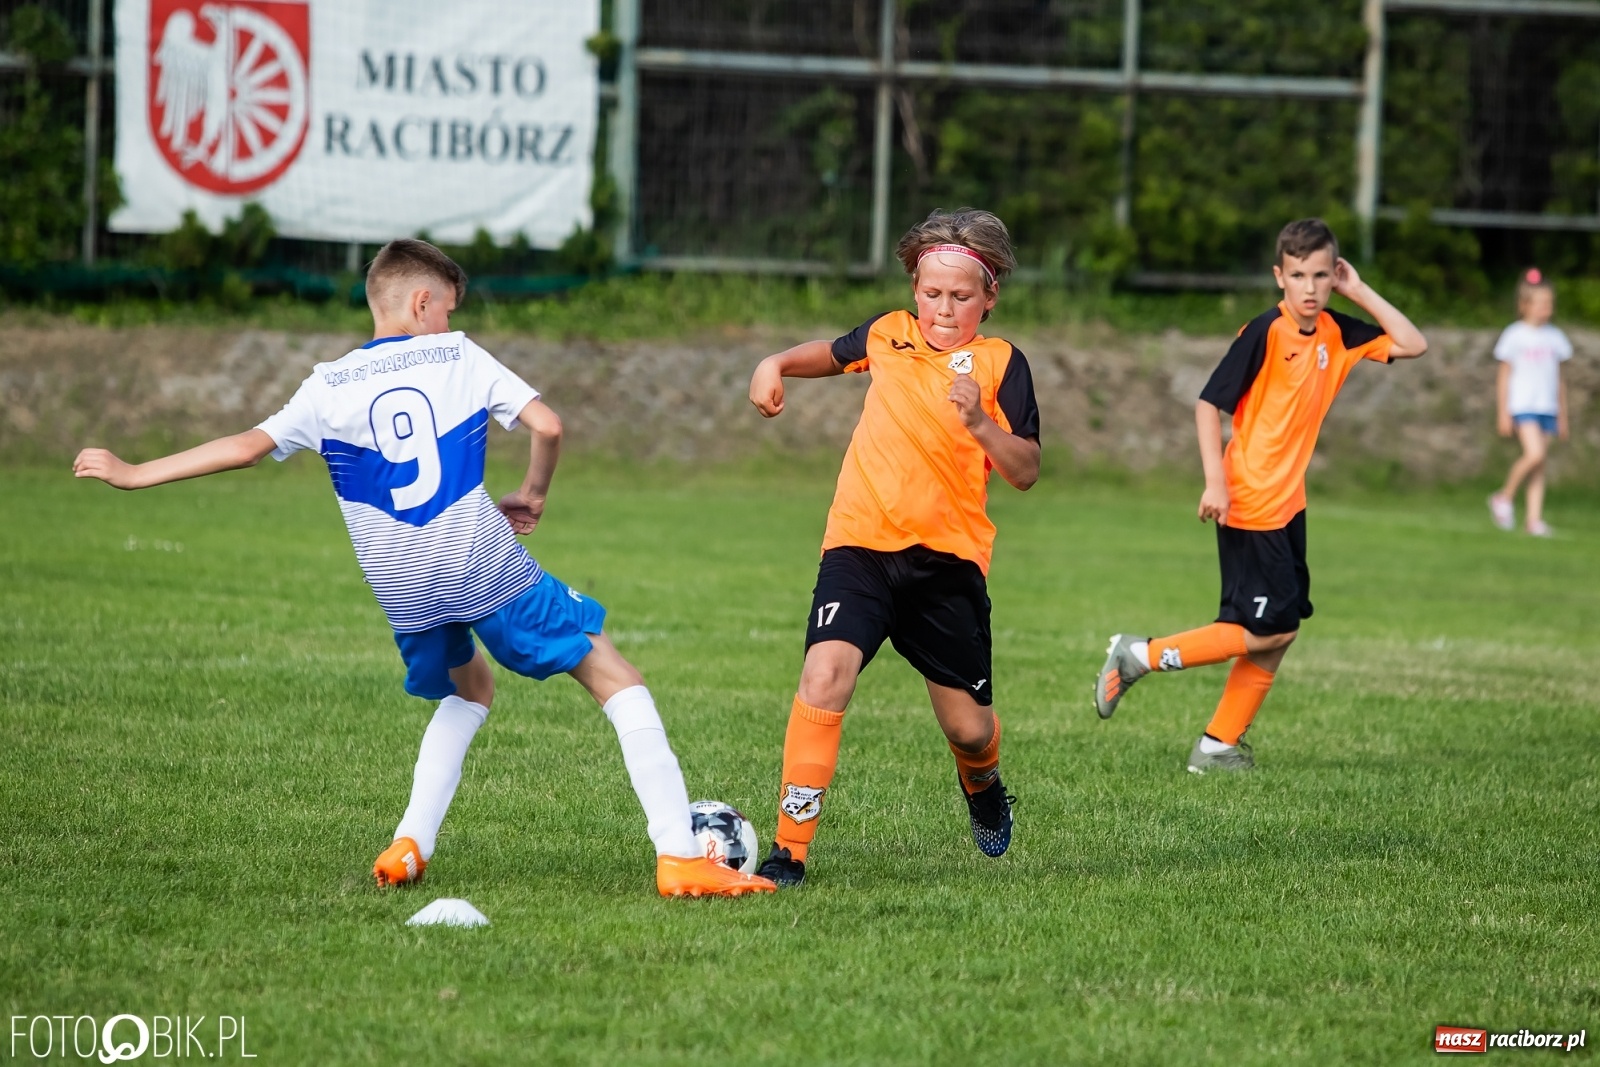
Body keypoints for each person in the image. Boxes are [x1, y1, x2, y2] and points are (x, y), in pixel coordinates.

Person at [72, 238, 774, 898]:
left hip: (400, 585)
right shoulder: (458, 356)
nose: (448, 321)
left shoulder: (327, 383)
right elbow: (550, 425)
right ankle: (681, 857)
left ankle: (408, 844)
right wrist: (531, 493)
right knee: (616, 676)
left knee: (469, 690)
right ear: (419, 304)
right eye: (445, 307)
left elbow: (245, 446)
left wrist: (134, 473)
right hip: (475, 557)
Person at [746, 208, 1041, 888]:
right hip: (861, 543)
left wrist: (979, 423)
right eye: (932, 293)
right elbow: (835, 350)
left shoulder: (1001, 364)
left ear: (989, 297)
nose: (944, 308)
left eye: (961, 296)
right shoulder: (888, 334)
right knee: (825, 677)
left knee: (969, 728)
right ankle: (788, 851)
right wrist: (777, 363)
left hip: (948, 564)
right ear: (914, 286)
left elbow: (1024, 469)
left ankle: (983, 781)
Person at [1093, 218, 1427, 773]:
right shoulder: (1263, 332)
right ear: (1280, 276)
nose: (1311, 287)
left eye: (1322, 275)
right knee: (1269, 629)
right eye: (1299, 275)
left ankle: (1218, 745)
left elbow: (1414, 344)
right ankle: (1138, 656)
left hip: (1288, 504)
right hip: (1249, 501)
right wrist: (1215, 482)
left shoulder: (1338, 333)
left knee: (1276, 635)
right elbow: (1208, 404)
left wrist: (1359, 289)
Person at [1488, 269, 1571, 537]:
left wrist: (1563, 415)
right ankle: (1504, 496)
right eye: (1540, 304)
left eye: (1550, 304)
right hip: (1523, 405)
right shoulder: (1514, 335)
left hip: (1548, 407)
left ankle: (1533, 520)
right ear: (1525, 305)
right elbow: (1504, 376)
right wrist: (1503, 411)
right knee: (1534, 454)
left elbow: (1559, 379)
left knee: (1540, 464)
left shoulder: (1555, 337)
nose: (1546, 309)